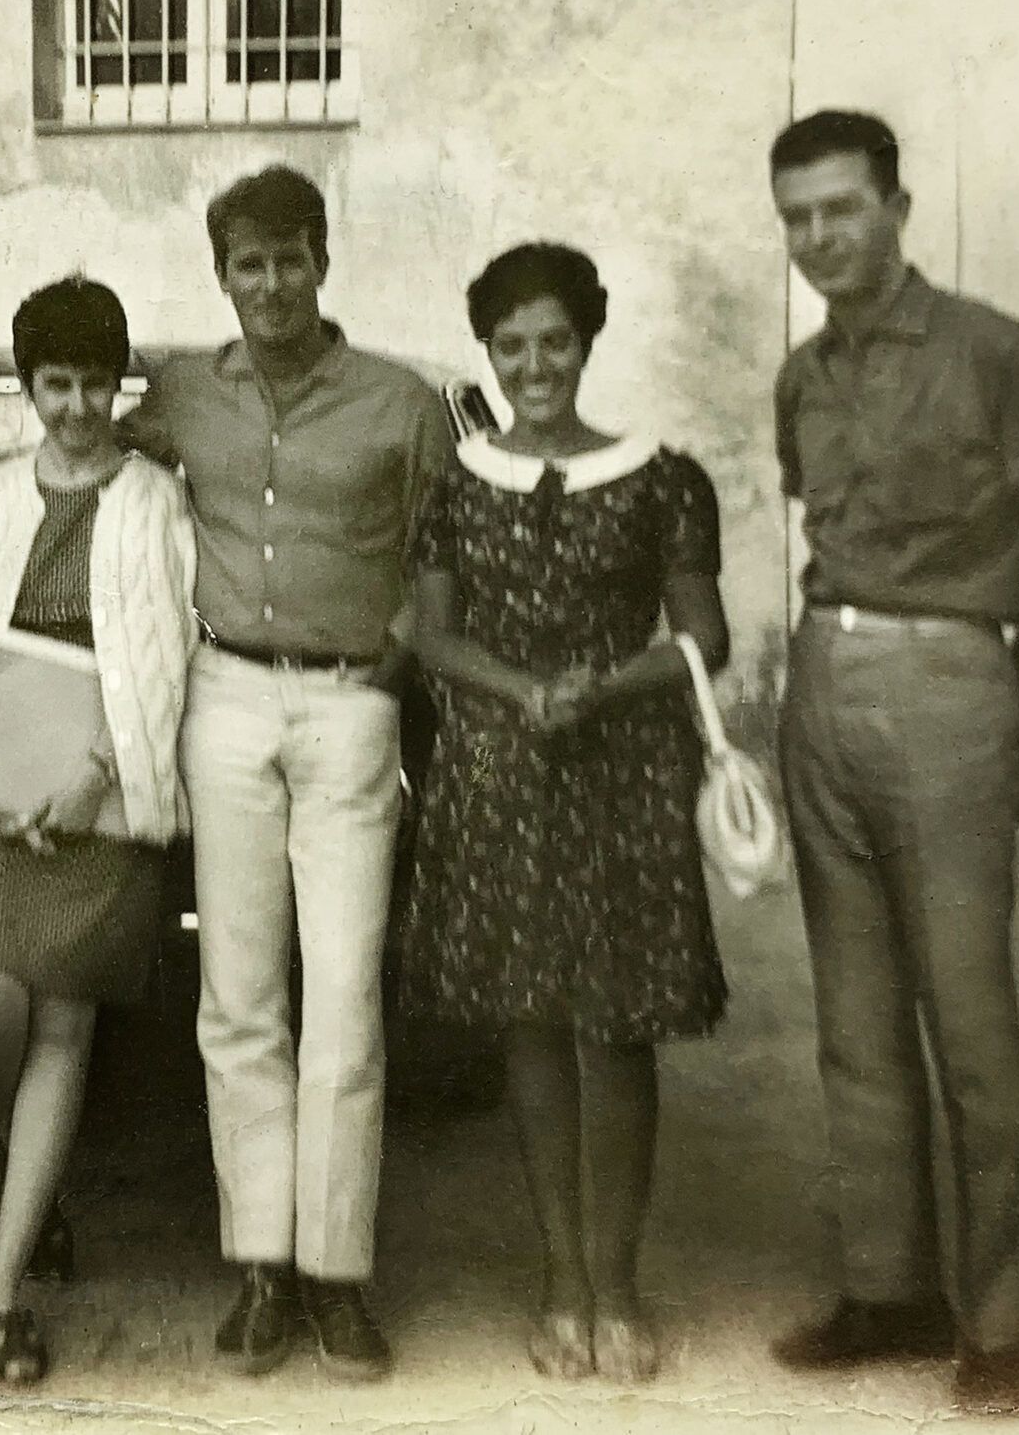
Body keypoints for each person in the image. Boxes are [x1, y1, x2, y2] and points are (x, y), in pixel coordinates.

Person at [765, 111, 1019, 1417]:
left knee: (968, 1019)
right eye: (797, 216)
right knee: (854, 1024)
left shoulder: (992, 351)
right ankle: (887, 1288)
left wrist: (1006, 687)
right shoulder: (800, 376)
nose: (819, 236)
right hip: (824, 682)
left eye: (841, 208)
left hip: (951, 684)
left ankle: (996, 1322)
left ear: (897, 208)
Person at [122, 166, 454, 1380]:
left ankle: (337, 1273)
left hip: (350, 704)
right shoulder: (181, 392)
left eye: (289, 258)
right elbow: (89, 455)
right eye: (247, 264)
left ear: (323, 260)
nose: (270, 283)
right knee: (238, 990)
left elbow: (447, 547)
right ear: (222, 274)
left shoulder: (400, 401)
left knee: (346, 991)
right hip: (224, 698)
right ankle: (262, 1263)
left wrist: (395, 660)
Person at [399, 242, 730, 1386]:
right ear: (487, 354)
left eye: (553, 342)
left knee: (617, 1025)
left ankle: (619, 1282)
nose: (534, 365)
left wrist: (604, 682)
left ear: (586, 342)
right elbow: (432, 634)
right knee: (530, 1020)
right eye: (511, 346)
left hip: (621, 767)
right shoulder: (457, 482)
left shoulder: (660, 477)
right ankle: (561, 1279)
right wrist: (520, 688)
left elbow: (703, 635)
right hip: (501, 765)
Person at [0, 276, 198, 1388]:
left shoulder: (156, 500)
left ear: (120, 385)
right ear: (28, 387)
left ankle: (3, 1281)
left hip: (101, 791)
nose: (76, 407)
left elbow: (173, 654)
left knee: (62, 1023)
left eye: (95, 384)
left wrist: (94, 775)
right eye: (55, 384)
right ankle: (42, 1182)